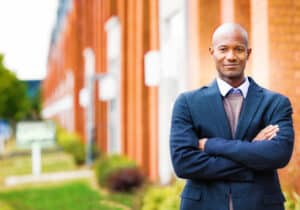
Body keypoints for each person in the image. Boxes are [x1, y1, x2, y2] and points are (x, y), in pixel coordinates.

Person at [170, 23, 294, 210]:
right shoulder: (187, 103)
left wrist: (212, 145)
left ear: (248, 53)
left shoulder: (276, 103)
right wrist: (253, 151)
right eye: (223, 49)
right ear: (212, 52)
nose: (231, 56)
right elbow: (184, 164)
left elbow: (278, 155)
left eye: (239, 49)